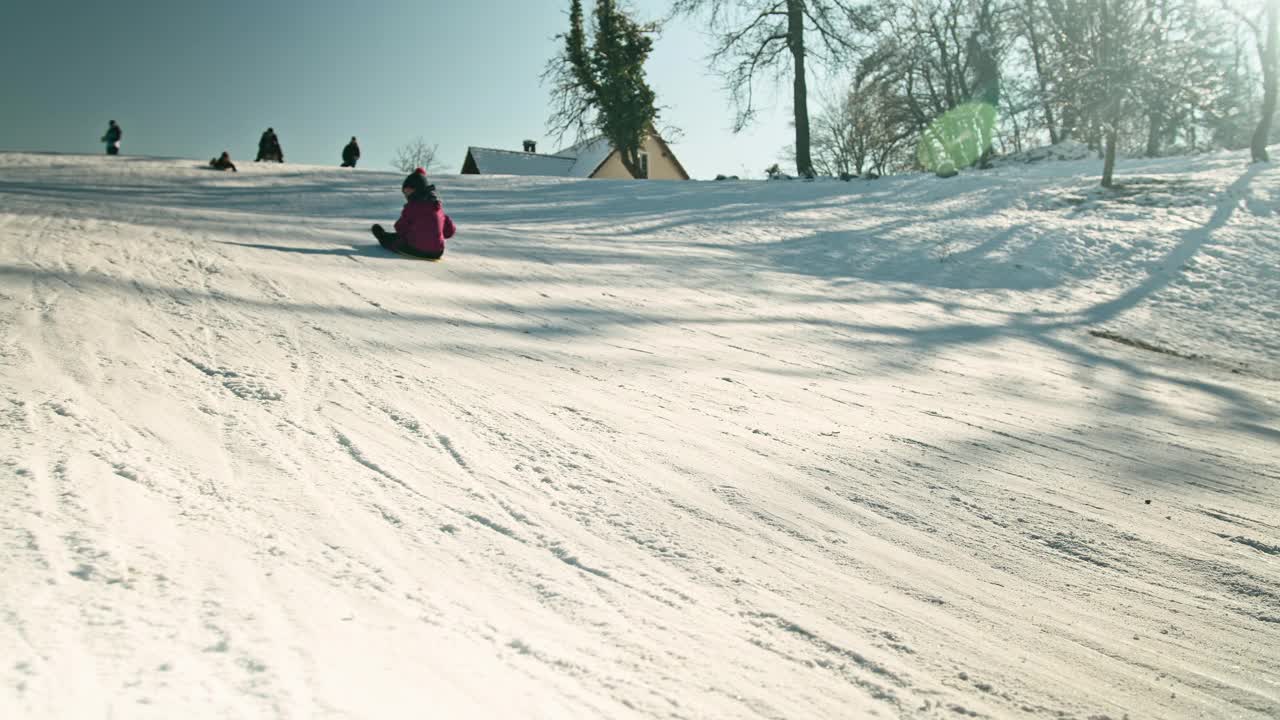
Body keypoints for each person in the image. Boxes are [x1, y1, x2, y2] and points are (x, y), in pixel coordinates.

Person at [371, 168, 455, 260]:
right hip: (437, 252)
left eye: (407, 191)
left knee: (392, 239)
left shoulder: (412, 206)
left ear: (416, 189)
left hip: (414, 249)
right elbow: (449, 231)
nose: (406, 196)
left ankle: (382, 235)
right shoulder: (437, 207)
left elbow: (400, 228)